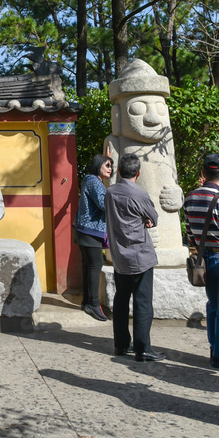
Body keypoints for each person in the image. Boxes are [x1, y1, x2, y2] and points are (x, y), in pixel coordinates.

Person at [104, 152, 165, 362]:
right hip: (140, 254)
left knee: (121, 300)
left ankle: (121, 345)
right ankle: (143, 348)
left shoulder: (110, 192)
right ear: (138, 173)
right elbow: (154, 217)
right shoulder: (140, 194)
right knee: (142, 302)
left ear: (119, 170)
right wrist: (146, 220)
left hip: (120, 255)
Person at [184, 153, 219, 371]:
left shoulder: (189, 198)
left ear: (203, 173)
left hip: (203, 259)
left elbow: (190, 233)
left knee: (213, 304)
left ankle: (214, 347)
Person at [74, 154, 111, 321]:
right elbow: (104, 204)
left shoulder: (91, 180)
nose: (110, 169)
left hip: (86, 230)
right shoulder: (94, 181)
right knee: (96, 266)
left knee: (89, 266)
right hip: (90, 230)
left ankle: (87, 302)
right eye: (107, 165)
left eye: (110, 166)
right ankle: (94, 305)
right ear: (98, 166)